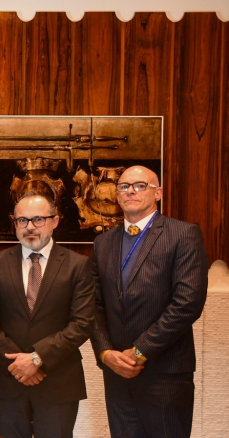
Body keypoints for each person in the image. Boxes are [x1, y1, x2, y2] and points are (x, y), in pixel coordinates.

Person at [89, 165, 207, 438]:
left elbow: (187, 303)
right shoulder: (102, 243)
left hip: (164, 374)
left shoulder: (183, 234)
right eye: (124, 186)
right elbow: (92, 305)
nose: (130, 190)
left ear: (158, 193)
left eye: (140, 185)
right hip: (117, 374)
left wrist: (140, 351)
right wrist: (106, 354)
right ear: (117, 195)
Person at [0, 192, 95, 438]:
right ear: (14, 223)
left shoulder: (78, 265)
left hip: (59, 380)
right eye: (22, 220)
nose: (30, 227)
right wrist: (17, 365)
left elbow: (82, 323)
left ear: (55, 221)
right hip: (7, 380)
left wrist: (37, 359)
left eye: (38, 219)